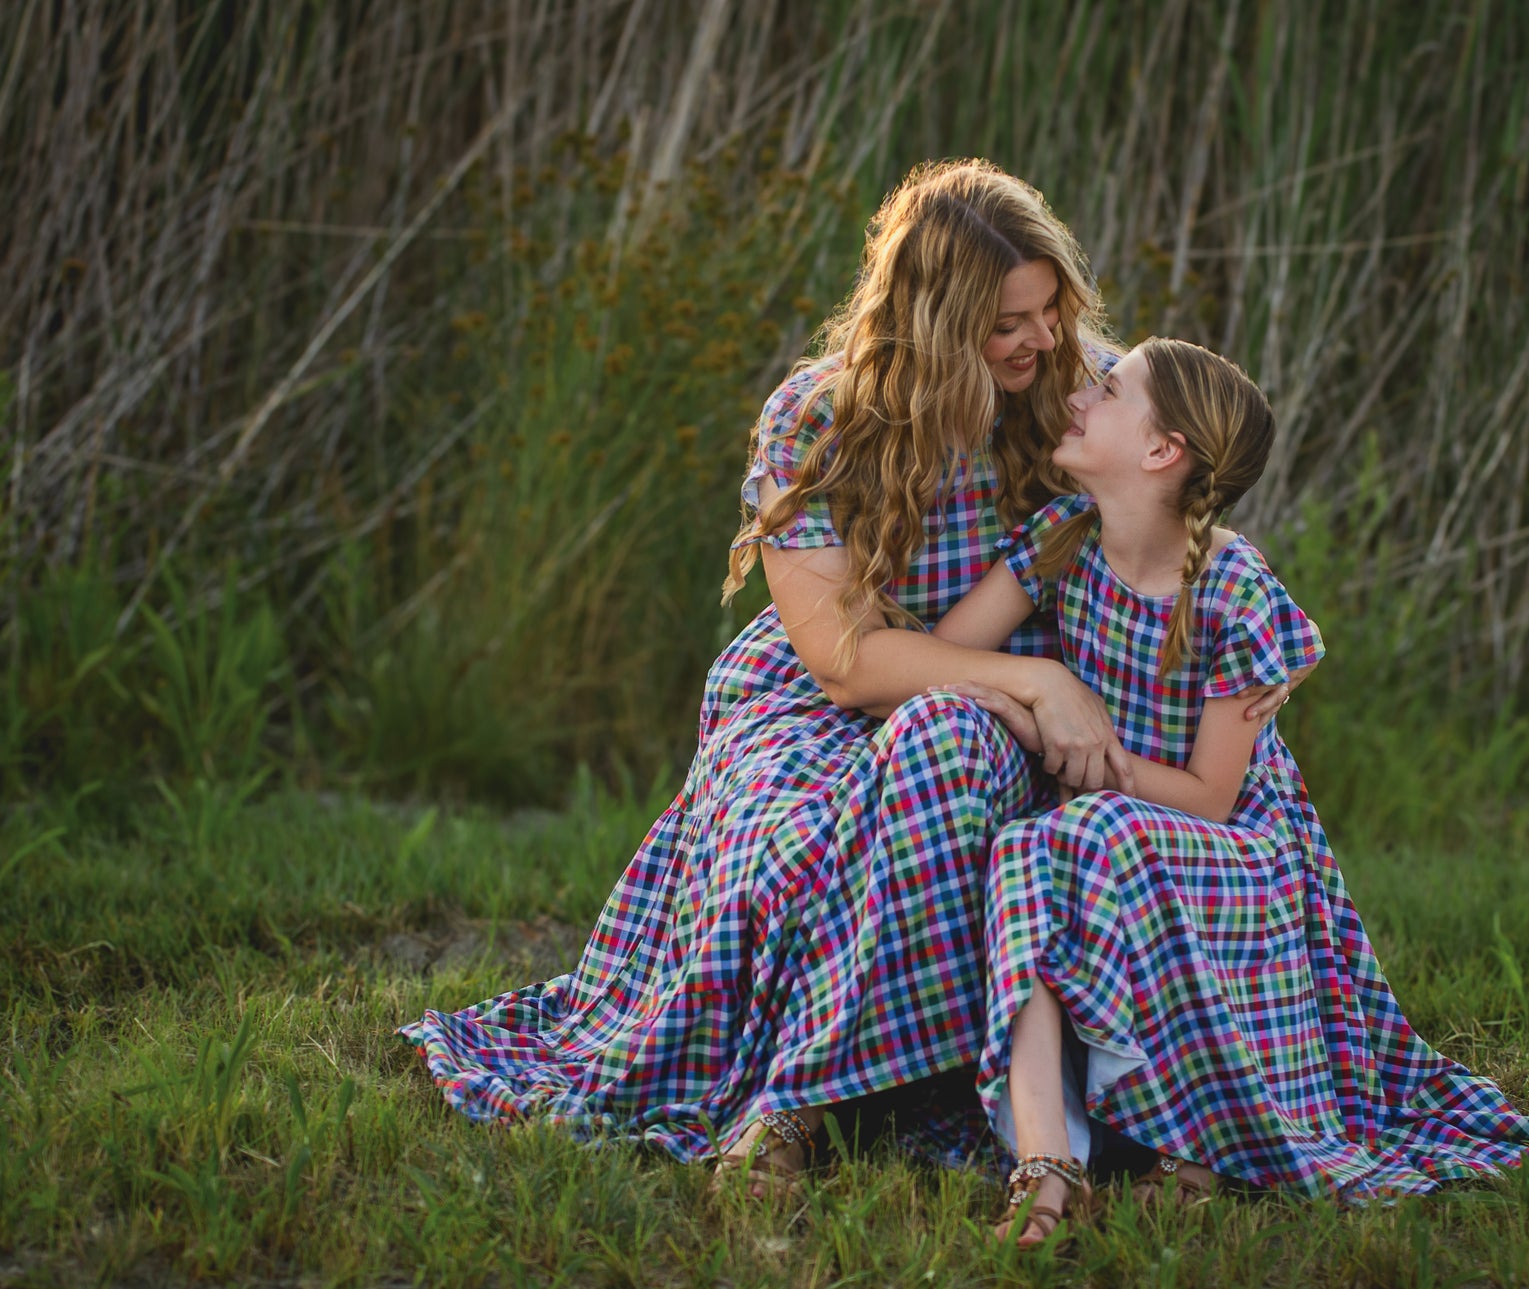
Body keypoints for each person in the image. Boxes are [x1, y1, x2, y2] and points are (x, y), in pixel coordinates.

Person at [396, 163, 1295, 1199]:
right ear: (934, 319)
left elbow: (1169, 492)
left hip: (1015, 694)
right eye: (1008, 320)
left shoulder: (1064, 390)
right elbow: (842, 659)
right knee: (817, 813)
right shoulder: (816, 419)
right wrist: (1023, 679)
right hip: (833, 693)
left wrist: (1222, 632)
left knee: (960, 748)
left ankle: (920, 1096)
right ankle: (801, 1097)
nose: (1042, 340)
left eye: (1052, 309)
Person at [930, 338, 1529, 1246]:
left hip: (1235, 853)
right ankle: (1046, 1160)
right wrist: (1031, 706)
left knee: (1062, 837)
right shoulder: (1062, 542)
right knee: (1039, 846)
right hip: (1106, 829)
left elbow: (1214, 796)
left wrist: (1081, 753)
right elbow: (947, 653)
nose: (1075, 398)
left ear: (1160, 450)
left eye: (1104, 391)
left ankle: (1189, 1146)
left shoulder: (1231, 589)